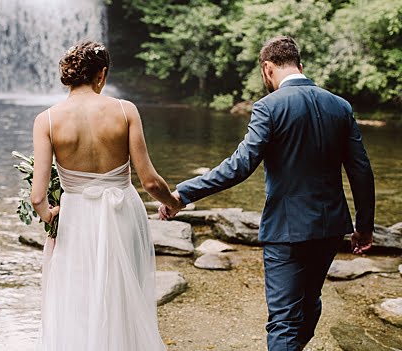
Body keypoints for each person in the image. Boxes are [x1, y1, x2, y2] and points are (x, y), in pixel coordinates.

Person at [160, 35, 374, 351]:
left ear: (267, 69)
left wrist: (183, 194)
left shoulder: (269, 107)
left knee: (284, 321)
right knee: (309, 301)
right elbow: (361, 171)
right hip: (330, 227)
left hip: (286, 229)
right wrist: (364, 227)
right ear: (300, 66)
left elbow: (239, 166)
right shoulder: (339, 106)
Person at [32, 41, 180, 350]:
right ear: (101, 75)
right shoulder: (125, 111)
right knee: (123, 295)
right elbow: (150, 182)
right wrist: (173, 202)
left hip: (76, 219)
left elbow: (37, 197)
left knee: (79, 297)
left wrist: (49, 216)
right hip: (122, 212)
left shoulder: (46, 120)